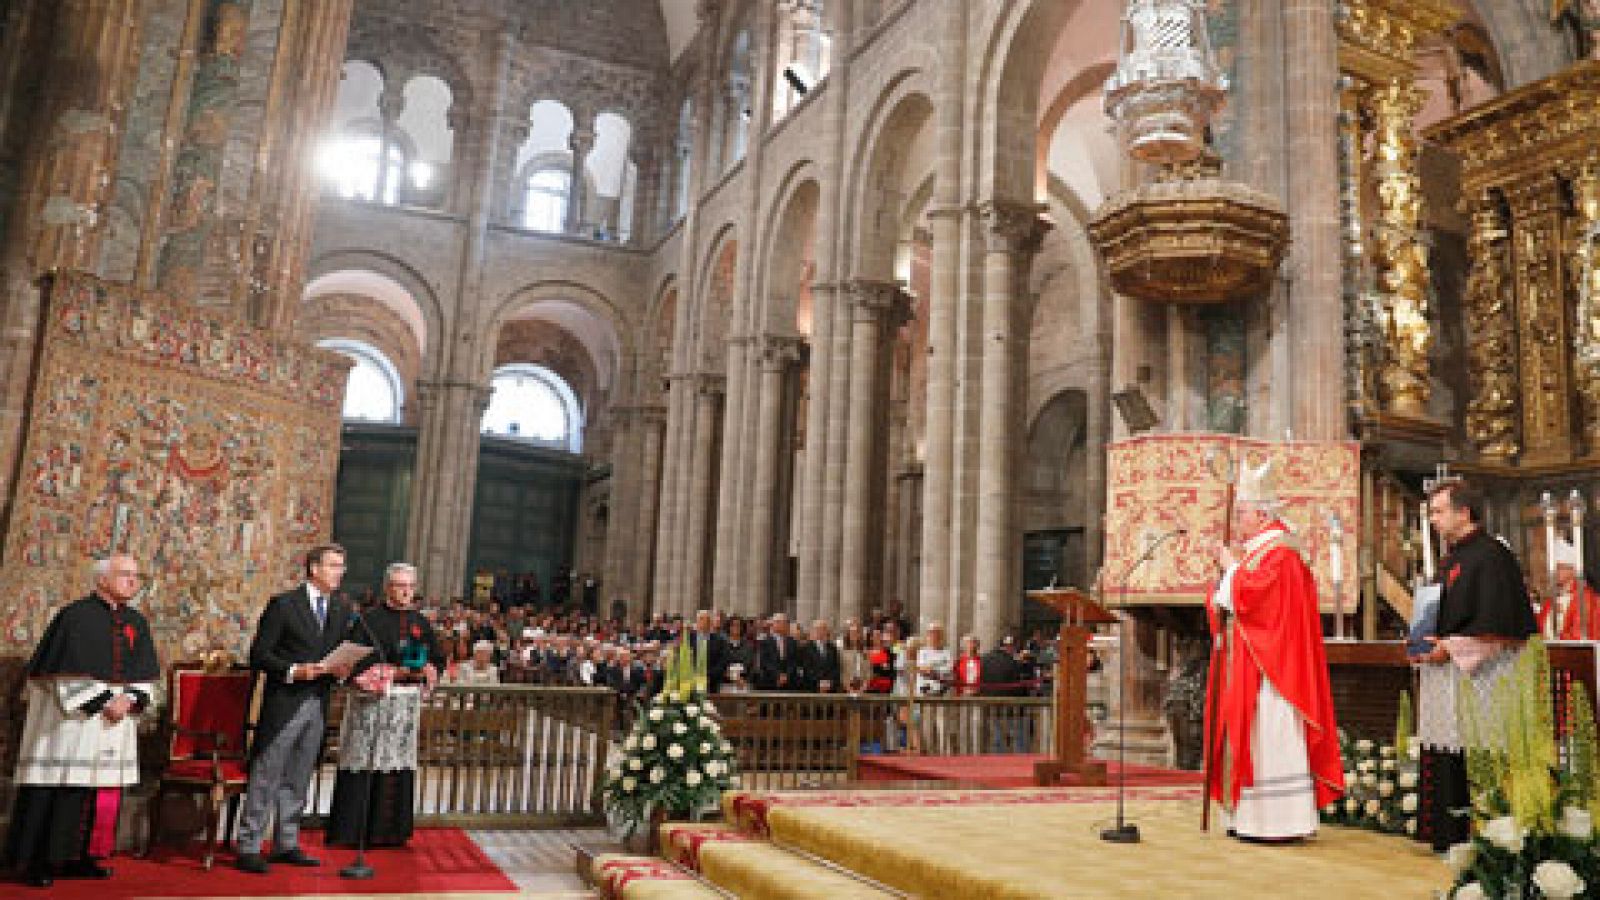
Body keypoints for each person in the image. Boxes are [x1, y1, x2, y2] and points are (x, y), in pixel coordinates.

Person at [1205, 460, 1344, 843]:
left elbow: (1257, 600)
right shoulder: (1259, 553)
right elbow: (1234, 599)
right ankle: (1248, 816)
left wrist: (1232, 570)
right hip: (1250, 661)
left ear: (1263, 514)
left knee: (1271, 735)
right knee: (1251, 736)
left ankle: (1277, 821)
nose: (1238, 521)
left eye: (1243, 513)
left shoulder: (1280, 554)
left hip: (1273, 671)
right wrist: (1224, 585)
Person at [5, 555, 158, 888]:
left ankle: (81, 857)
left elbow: (146, 674)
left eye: (136, 576)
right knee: (61, 788)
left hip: (115, 722)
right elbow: (62, 673)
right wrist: (106, 701)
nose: (133, 581)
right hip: (71, 723)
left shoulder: (137, 622)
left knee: (96, 792)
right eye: (125, 575)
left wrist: (130, 699)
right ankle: (38, 861)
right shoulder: (74, 618)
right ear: (102, 580)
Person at [1411, 479, 1538, 853]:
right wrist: (1423, 641)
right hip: (1449, 678)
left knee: (1479, 755)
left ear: (1463, 512)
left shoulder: (1492, 556)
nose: (1433, 519)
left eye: (1438, 511)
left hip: (1483, 677)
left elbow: (1498, 624)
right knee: (1449, 750)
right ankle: (1448, 837)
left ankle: (1484, 839)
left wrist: (1449, 648)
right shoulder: (1452, 558)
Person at [236, 544, 356, 874]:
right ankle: (248, 844)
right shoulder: (284, 605)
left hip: (319, 702)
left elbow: (338, 651)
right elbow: (260, 655)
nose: (340, 572)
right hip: (284, 702)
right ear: (314, 568)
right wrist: (294, 671)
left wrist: (343, 668)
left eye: (342, 566)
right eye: (334, 565)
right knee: (266, 775)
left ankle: (286, 842)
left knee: (299, 775)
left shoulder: (341, 610)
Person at [325, 562, 441, 849]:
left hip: (404, 709)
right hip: (372, 706)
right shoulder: (368, 620)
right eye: (400, 586)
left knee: (396, 766)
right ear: (388, 587)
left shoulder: (421, 623)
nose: (406, 592)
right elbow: (352, 663)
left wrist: (425, 670)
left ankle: (392, 832)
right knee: (365, 763)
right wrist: (393, 673)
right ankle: (355, 831)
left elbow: (437, 659)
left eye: (411, 586)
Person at [1537, 538, 1600, 640]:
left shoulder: (1585, 598)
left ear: (1574, 570)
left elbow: (1578, 636)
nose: (1555, 572)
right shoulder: (1553, 597)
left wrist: (1549, 639)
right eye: (1554, 568)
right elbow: (1539, 627)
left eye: (1560, 567)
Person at [755, 614, 800, 690]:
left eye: (784, 622)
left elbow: (794, 661)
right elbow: (765, 662)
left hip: (790, 682)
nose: (782, 625)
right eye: (778, 622)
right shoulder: (765, 642)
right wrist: (778, 675)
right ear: (773, 624)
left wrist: (786, 676)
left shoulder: (792, 642)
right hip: (770, 681)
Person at [798, 619, 842, 693]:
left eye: (824, 629)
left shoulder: (832, 648)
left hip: (830, 689)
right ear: (813, 631)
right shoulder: (805, 648)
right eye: (818, 629)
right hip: (812, 688)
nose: (821, 631)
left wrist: (829, 683)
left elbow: (836, 668)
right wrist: (819, 683)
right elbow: (806, 669)